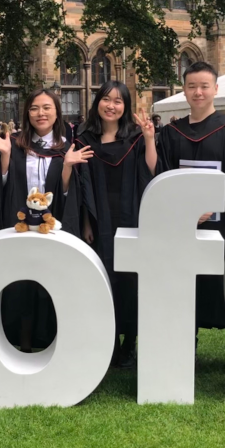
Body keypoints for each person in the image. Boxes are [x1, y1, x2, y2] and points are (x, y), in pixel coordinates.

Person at [0, 88, 89, 352]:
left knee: (48, 280)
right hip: (18, 225)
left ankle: (47, 337)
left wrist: (66, 166)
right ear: (27, 113)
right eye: (34, 108)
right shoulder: (15, 143)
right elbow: (3, 186)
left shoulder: (67, 147)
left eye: (46, 108)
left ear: (57, 112)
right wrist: (5, 156)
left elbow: (68, 194)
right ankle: (16, 338)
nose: (40, 113)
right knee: (18, 282)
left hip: (49, 228)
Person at [157, 61, 225, 331]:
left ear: (216, 89)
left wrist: (212, 206)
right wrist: (184, 211)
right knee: (183, 281)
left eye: (204, 86)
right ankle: (188, 340)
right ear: (184, 91)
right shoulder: (172, 133)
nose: (198, 92)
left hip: (220, 223)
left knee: (224, 282)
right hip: (182, 225)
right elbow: (165, 174)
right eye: (192, 86)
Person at [76, 81, 157, 367]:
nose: (111, 105)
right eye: (106, 99)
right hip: (99, 218)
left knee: (129, 279)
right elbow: (81, 187)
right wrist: (86, 222)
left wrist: (149, 139)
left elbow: (150, 170)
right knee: (102, 279)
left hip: (129, 214)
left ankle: (129, 343)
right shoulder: (84, 139)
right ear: (97, 102)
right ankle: (106, 341)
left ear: (125, 107)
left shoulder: (135, 137)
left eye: (118, 101)